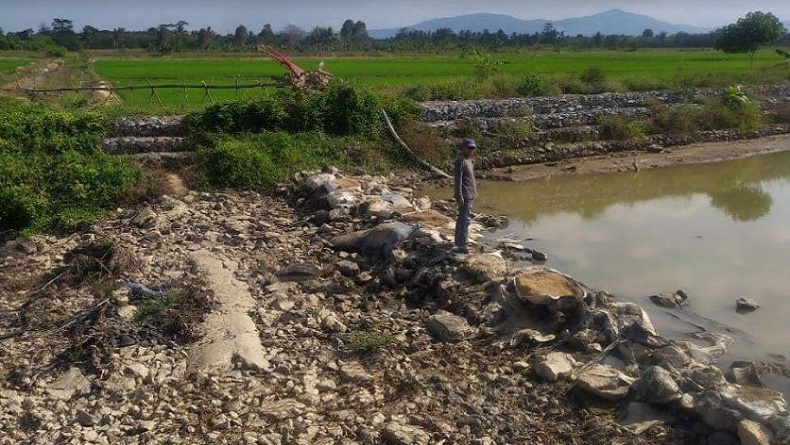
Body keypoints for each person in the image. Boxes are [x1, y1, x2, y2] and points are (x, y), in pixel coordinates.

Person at [453, 138, 478, 254]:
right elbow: (458, 180)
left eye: (473, 148)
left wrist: (474, 192)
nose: (471, 150)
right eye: (469, 148)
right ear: (463, 148)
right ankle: (462, 245)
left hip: (470, 194)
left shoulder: (468, 160)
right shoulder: (461, 161)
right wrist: (459, 196)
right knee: (464, 220)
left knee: (463, 219)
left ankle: (460, 243)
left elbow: (470, 179)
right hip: (465, 195)